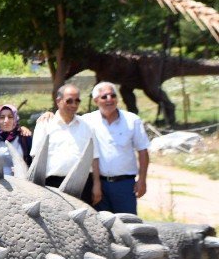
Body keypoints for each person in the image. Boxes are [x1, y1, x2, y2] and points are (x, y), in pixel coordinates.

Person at [81, 81, 150, 214]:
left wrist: (142, 180)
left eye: (113, 96)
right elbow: (68, 119)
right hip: (98, 185)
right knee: (102, 229)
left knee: (128, 227)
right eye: (104, 97)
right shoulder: (87, 120)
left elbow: (143, 151)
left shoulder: (132, 120)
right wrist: (48, 115)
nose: (109, 99)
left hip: (124, 185)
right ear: (96, 100)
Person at [31, 84, 101, 205]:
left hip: (83, 184)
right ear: (58, 101)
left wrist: (97, 185)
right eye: (69, 101)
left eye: (77, 101)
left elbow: (94, 158)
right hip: (52, 185)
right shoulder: (45, 124)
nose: (74, 105)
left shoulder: (87, 126)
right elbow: (36, 157)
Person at [0, 104, 33, 177]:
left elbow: (33, 163)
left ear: (15, 118)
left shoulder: (25, 138)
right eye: (2, 117)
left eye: (10, 117)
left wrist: (25, 168)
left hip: (21, 184)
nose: (6, 121)